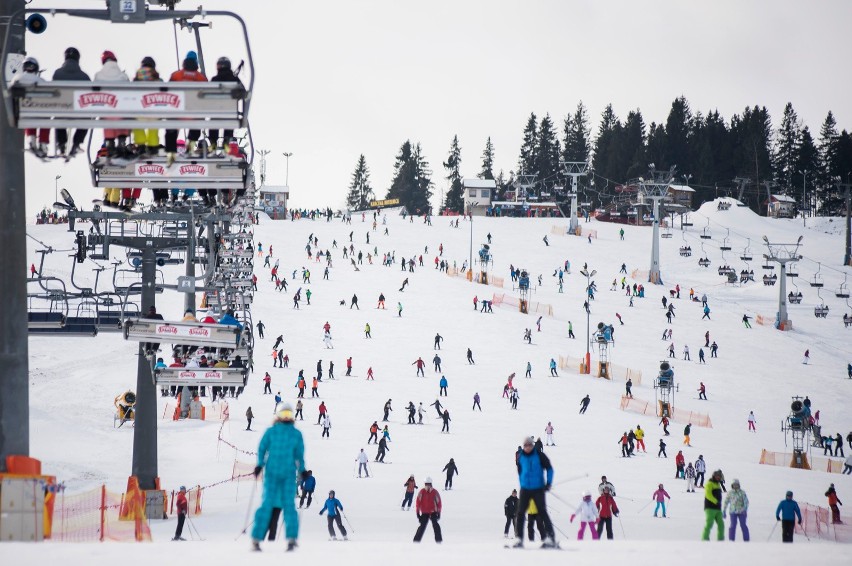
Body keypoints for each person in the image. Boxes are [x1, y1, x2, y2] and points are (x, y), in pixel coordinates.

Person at [250, 403, 305, 552]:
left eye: (288, 414)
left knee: (289, 506)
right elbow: (262, 448)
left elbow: (299, 454)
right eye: (283, 414)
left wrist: (303, 470)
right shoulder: (271, 432)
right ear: (278, 416)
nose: (286, 417)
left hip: (288, 475)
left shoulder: (296, 434)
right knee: (267, 504)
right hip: (272, 473)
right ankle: (256, 538)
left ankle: (292, 538)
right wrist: (259, 464)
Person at [512, 437, 556, 548]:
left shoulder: (540, 456)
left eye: (529, 445)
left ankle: (550, 538)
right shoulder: (521, 457)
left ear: (532, 445)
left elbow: (549, 468)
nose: (527, 447)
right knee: (520, 513)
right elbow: (520, 470)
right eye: (525, 445)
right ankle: (518, 539)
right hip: (525, 489)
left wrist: (548, 483)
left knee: (542, 512)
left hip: (538, 489)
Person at [52, 47, 91, 157]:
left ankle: (61, 143)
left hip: (62, 111)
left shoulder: (57, 74)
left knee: (58, 115)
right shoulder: (85, 77)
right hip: (79, 113)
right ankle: (77, 143)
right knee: (87, 118)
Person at [413, 477, 442, 543]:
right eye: (426, 484)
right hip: (424, 512)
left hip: (433, 512)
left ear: (431, 484)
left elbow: (439, 502)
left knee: (435, 525)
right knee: (422, 526)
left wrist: (439, 512)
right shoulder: (422, 492)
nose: (427, 485)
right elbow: (418, 502)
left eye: (429, 484)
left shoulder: (435, 492)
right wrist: (418, 513)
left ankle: (439, 540)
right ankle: (416, 541)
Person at [702, 469, 726, 541]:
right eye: (717, 476)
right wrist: (715, 501)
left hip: (717, 508)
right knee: (709, 523)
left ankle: (720, 539)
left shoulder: (718, 484)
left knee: (721, 524)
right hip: (710, 507)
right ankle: (705, 539)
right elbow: (708, 494)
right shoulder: (709, 483)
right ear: (714, 476)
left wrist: (718, 503)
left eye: (719, 476)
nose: (718, 477)